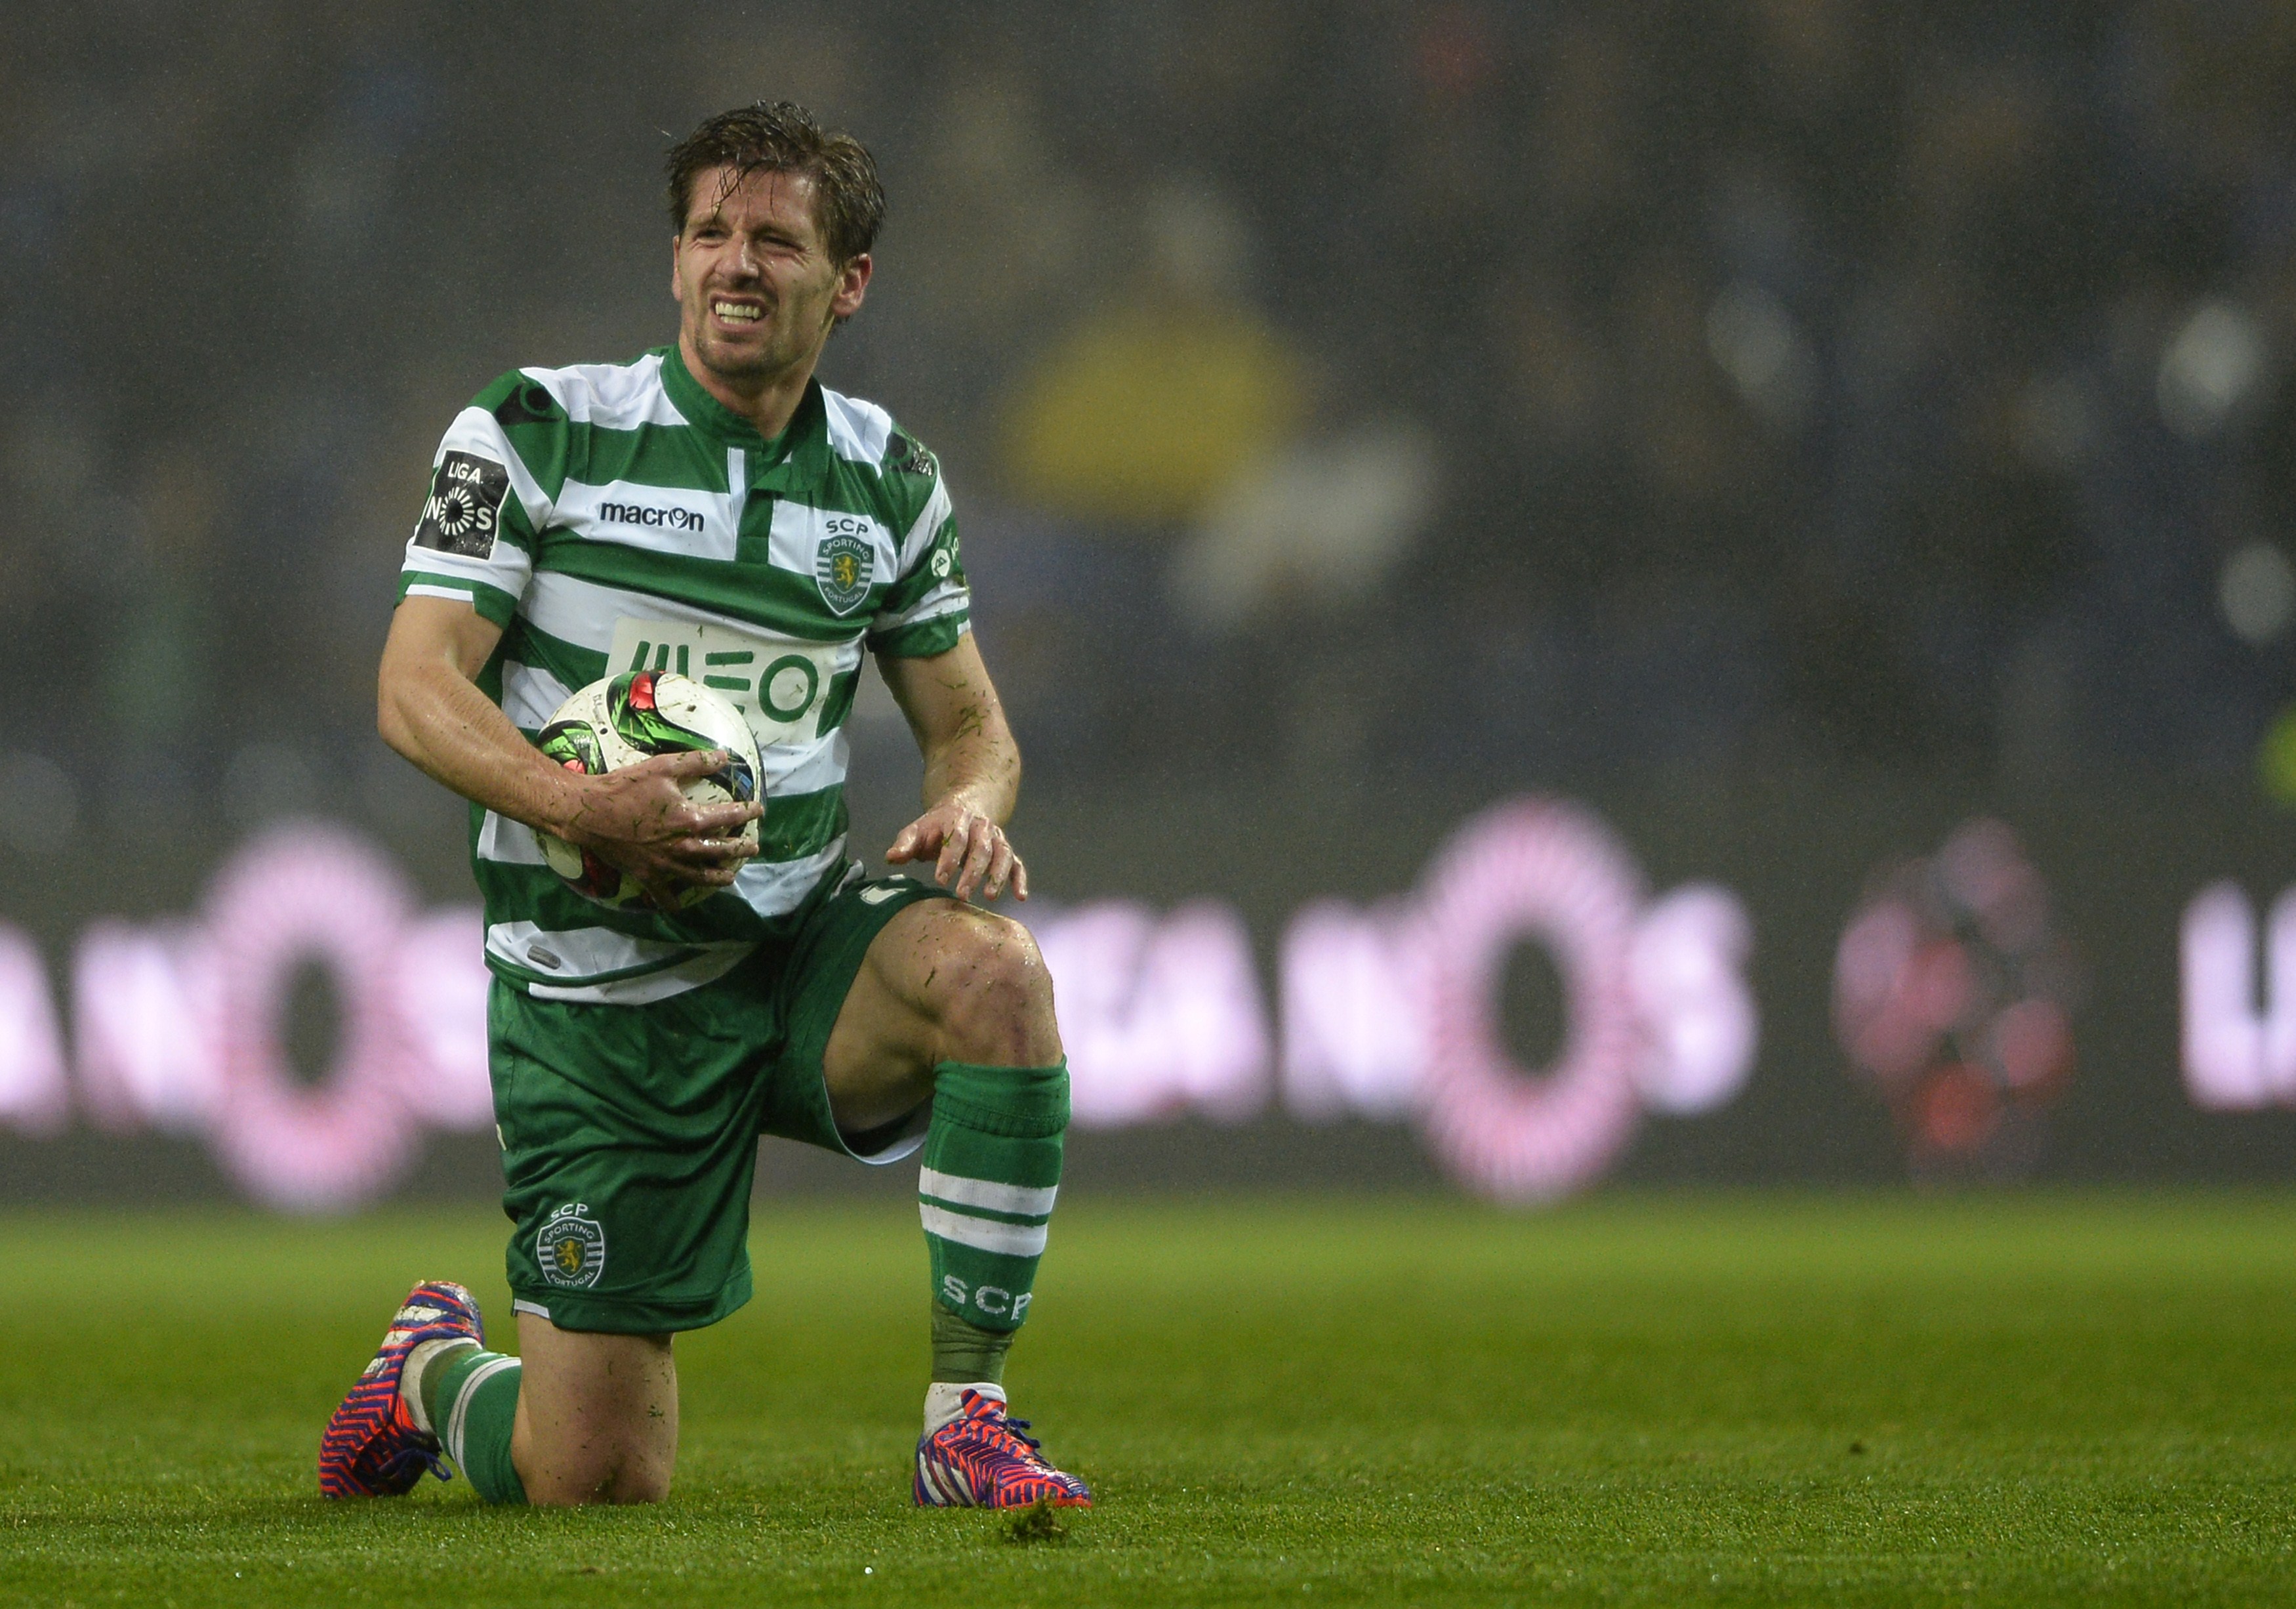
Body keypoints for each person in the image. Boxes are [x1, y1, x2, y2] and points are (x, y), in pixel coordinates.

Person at [318, 102, 1088, 1511]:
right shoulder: (537, 432)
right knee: (596, 1478)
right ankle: (433, 1364)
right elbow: (414, 686)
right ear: (673, 261)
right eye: (710, 233)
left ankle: (966, 1417)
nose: (738, 263)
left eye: (776, 239)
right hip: (600, 996)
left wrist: (972, 801)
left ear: (846, 282)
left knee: (997, 979)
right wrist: (580, 803)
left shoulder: (889, 482)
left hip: (798, 956)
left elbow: (970, 723)